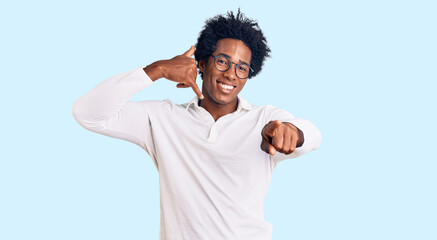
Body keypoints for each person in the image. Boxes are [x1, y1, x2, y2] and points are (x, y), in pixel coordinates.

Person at [73, 9, 321, 240]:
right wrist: (156, 69)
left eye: (242, 68)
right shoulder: (162, 118)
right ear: (202, 64)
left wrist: (293, 133)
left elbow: (312, 135)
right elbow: (87, 113)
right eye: (222, 62)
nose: (231, 74)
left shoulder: (263, 119)